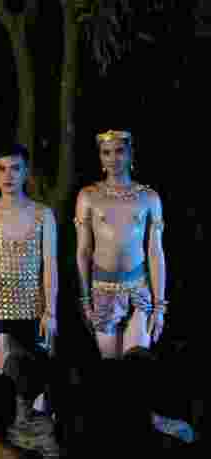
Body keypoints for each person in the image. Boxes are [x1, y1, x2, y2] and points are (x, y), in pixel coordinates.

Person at [75, 130, 167, 358]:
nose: (113, 158)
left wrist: (159, 305)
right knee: (111, 370)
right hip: (102, 291)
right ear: (100, 158)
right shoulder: (88, 195)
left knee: (137, 363)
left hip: (139, 290)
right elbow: (84, 252)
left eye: (119, 151)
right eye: (106, 153)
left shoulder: (148, 197)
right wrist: (85, 301)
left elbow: (155, 252)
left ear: (130, 154)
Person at [0, 143, 58, 373]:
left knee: (38, 388)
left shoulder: (43, 214)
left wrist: (51, 312)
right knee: (5, 383)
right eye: (2, 168)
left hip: (35, 310)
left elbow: (50, 265)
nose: (8, 175)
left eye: (15, 168)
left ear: (26, 172)